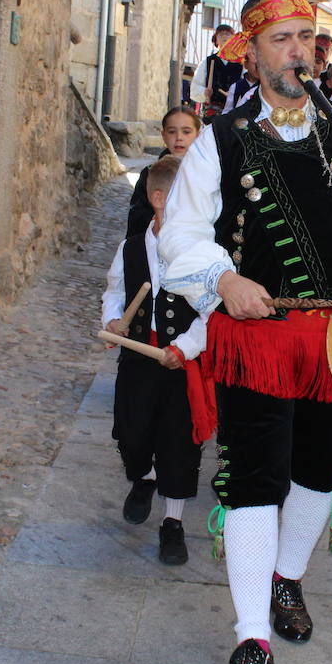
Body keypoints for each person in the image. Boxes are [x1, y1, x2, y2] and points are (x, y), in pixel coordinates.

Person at [158, 0, 332, 664]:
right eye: (282, 39)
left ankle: (287, 578)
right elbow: (179, 236)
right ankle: (251, 640)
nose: (298, 51)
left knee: (321, 471)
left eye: (306, 37)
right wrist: (223, 280)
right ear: (251, 55)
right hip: (257, 340)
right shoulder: (220, 140)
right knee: (253, 478)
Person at [102, 156, 211, 566]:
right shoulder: (130, 247)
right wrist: (112, 319)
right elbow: (115, 291)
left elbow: (211, 312)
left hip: (182, 363)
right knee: (131, 434)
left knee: (179, 444)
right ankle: (144, 477)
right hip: (138, 356)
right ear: (160, 199)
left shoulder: (202, 251)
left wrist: (185, 347)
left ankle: (172, 523)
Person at [127, 106, 201, 236]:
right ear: (163, 135)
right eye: (172, 132)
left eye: (186, 132)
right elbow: (137, 219)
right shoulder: (150, 174)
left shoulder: (207, 173)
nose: (179, 137)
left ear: (198, 135)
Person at [193, 24, 245, 122]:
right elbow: (195, 87)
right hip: (212, 113)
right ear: (216, 40)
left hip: (234, 112)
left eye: (227, 34)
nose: (224, 36)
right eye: (221, 34)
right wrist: (204, 92)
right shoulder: (208, 61)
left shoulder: (242, 63)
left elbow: (248, 85)